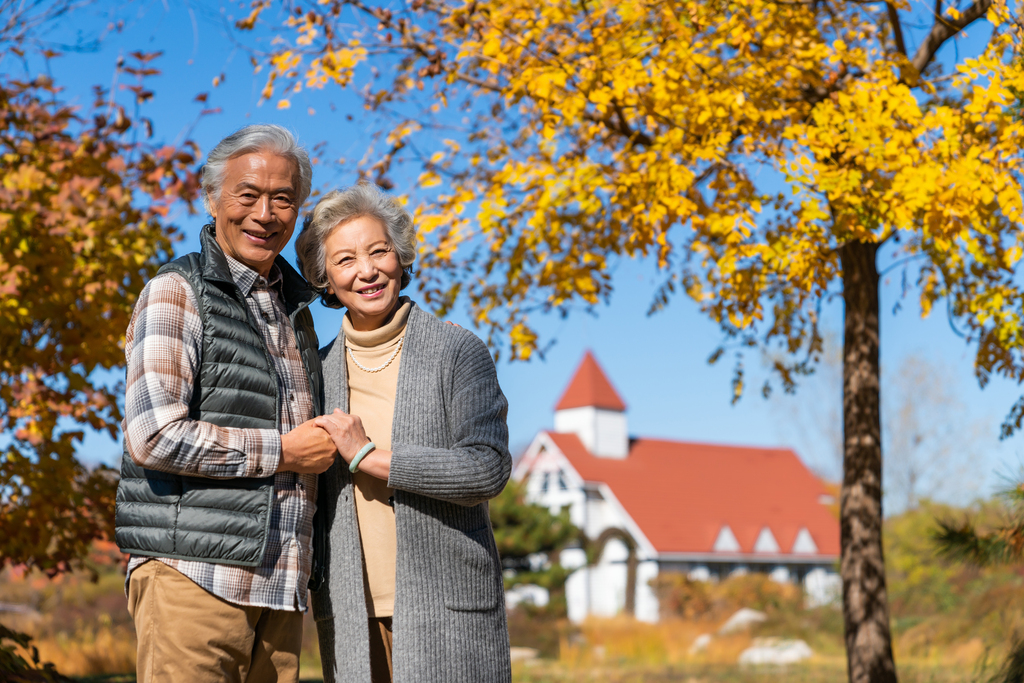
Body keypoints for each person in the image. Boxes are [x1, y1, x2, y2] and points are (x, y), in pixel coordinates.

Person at [114, 124, 338, 683]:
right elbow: (153, 435)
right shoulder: (177, 291)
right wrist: (283, 450)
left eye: (283, 199)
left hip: (281, 589)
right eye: (248, 195)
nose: (266, 213)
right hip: (193, 580)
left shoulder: (297, 312)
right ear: (212, 198)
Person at [294, 182, 513, 683]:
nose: (367, 271)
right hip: (350, 610)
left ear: (401, 257)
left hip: (448, 609)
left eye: (379, 251)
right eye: (345, 260)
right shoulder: (316, 369)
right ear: (324, 278)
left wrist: (367, 455)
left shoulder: (456, 351)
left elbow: (487, 468)